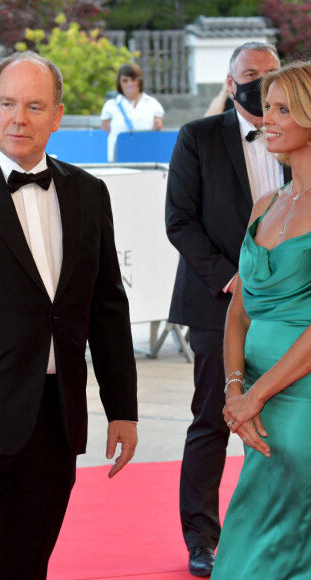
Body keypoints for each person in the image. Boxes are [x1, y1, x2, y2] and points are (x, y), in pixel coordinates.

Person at [0, 51, 138, 580]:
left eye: (33, 106)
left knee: (28, 567)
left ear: (58, 114)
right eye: (6, 104)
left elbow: (107, 306)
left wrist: (123, 409)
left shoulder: (89, 193)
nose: (18, 118)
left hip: (55, 417)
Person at [165, 41, 287, 577]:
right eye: (251, 74)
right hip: (220, 304)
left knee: (286, 420)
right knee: (214, 418)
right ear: (231, 82)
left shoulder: (298, 136)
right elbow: (180, 221)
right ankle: (203, 538)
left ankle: (279, 530)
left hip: (291, 307)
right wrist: (237, 282)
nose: (262, 82)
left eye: (272, 72)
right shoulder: (198, 137)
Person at [211, 60, 311, 579]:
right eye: (265, 106)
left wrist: (256, 395)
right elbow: (238, 312)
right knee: (248, 547)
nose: (265, 118)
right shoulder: (264, 205)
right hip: (255, 402)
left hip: (302, 405)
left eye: (281, 109)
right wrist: (235, 392)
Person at [100, 63, 164, 162]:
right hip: (117, 159)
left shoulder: (153, 104)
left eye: (133, 80)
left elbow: (157, 132)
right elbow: (104, 135)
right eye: (125, 81)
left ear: (140, 81)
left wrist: (157, 125)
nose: (130, 84)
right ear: (119, 83)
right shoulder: (111, 105)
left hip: (145, 157)